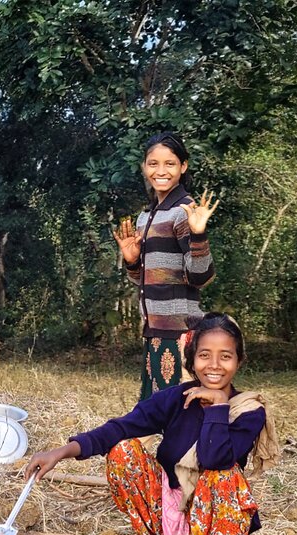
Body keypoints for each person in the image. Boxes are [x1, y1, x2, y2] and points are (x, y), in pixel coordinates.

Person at [23, 313, 291, 535]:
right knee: (123, 450)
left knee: (225, 472)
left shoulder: (249, 411)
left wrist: (219, 405)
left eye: (226, 356)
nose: (214, 365)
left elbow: (214, 458)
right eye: (205, 355)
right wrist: (60, 453)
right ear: (192, 359)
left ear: (239, 361)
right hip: (168, 505)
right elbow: (120, 428)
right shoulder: (176, 398)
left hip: (212, 516)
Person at [111, 132, 220, 401]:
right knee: (154, 406)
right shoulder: (146, 216)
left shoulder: (185, 211)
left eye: (170, 164)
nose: (161, 171)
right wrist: (132, 260)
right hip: (154, 329)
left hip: (180, 331)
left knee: (178, 407)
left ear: (183, 167)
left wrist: (198, 235)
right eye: (153, 164)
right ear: (144, 167)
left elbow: (200, 277)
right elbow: (142, 281)